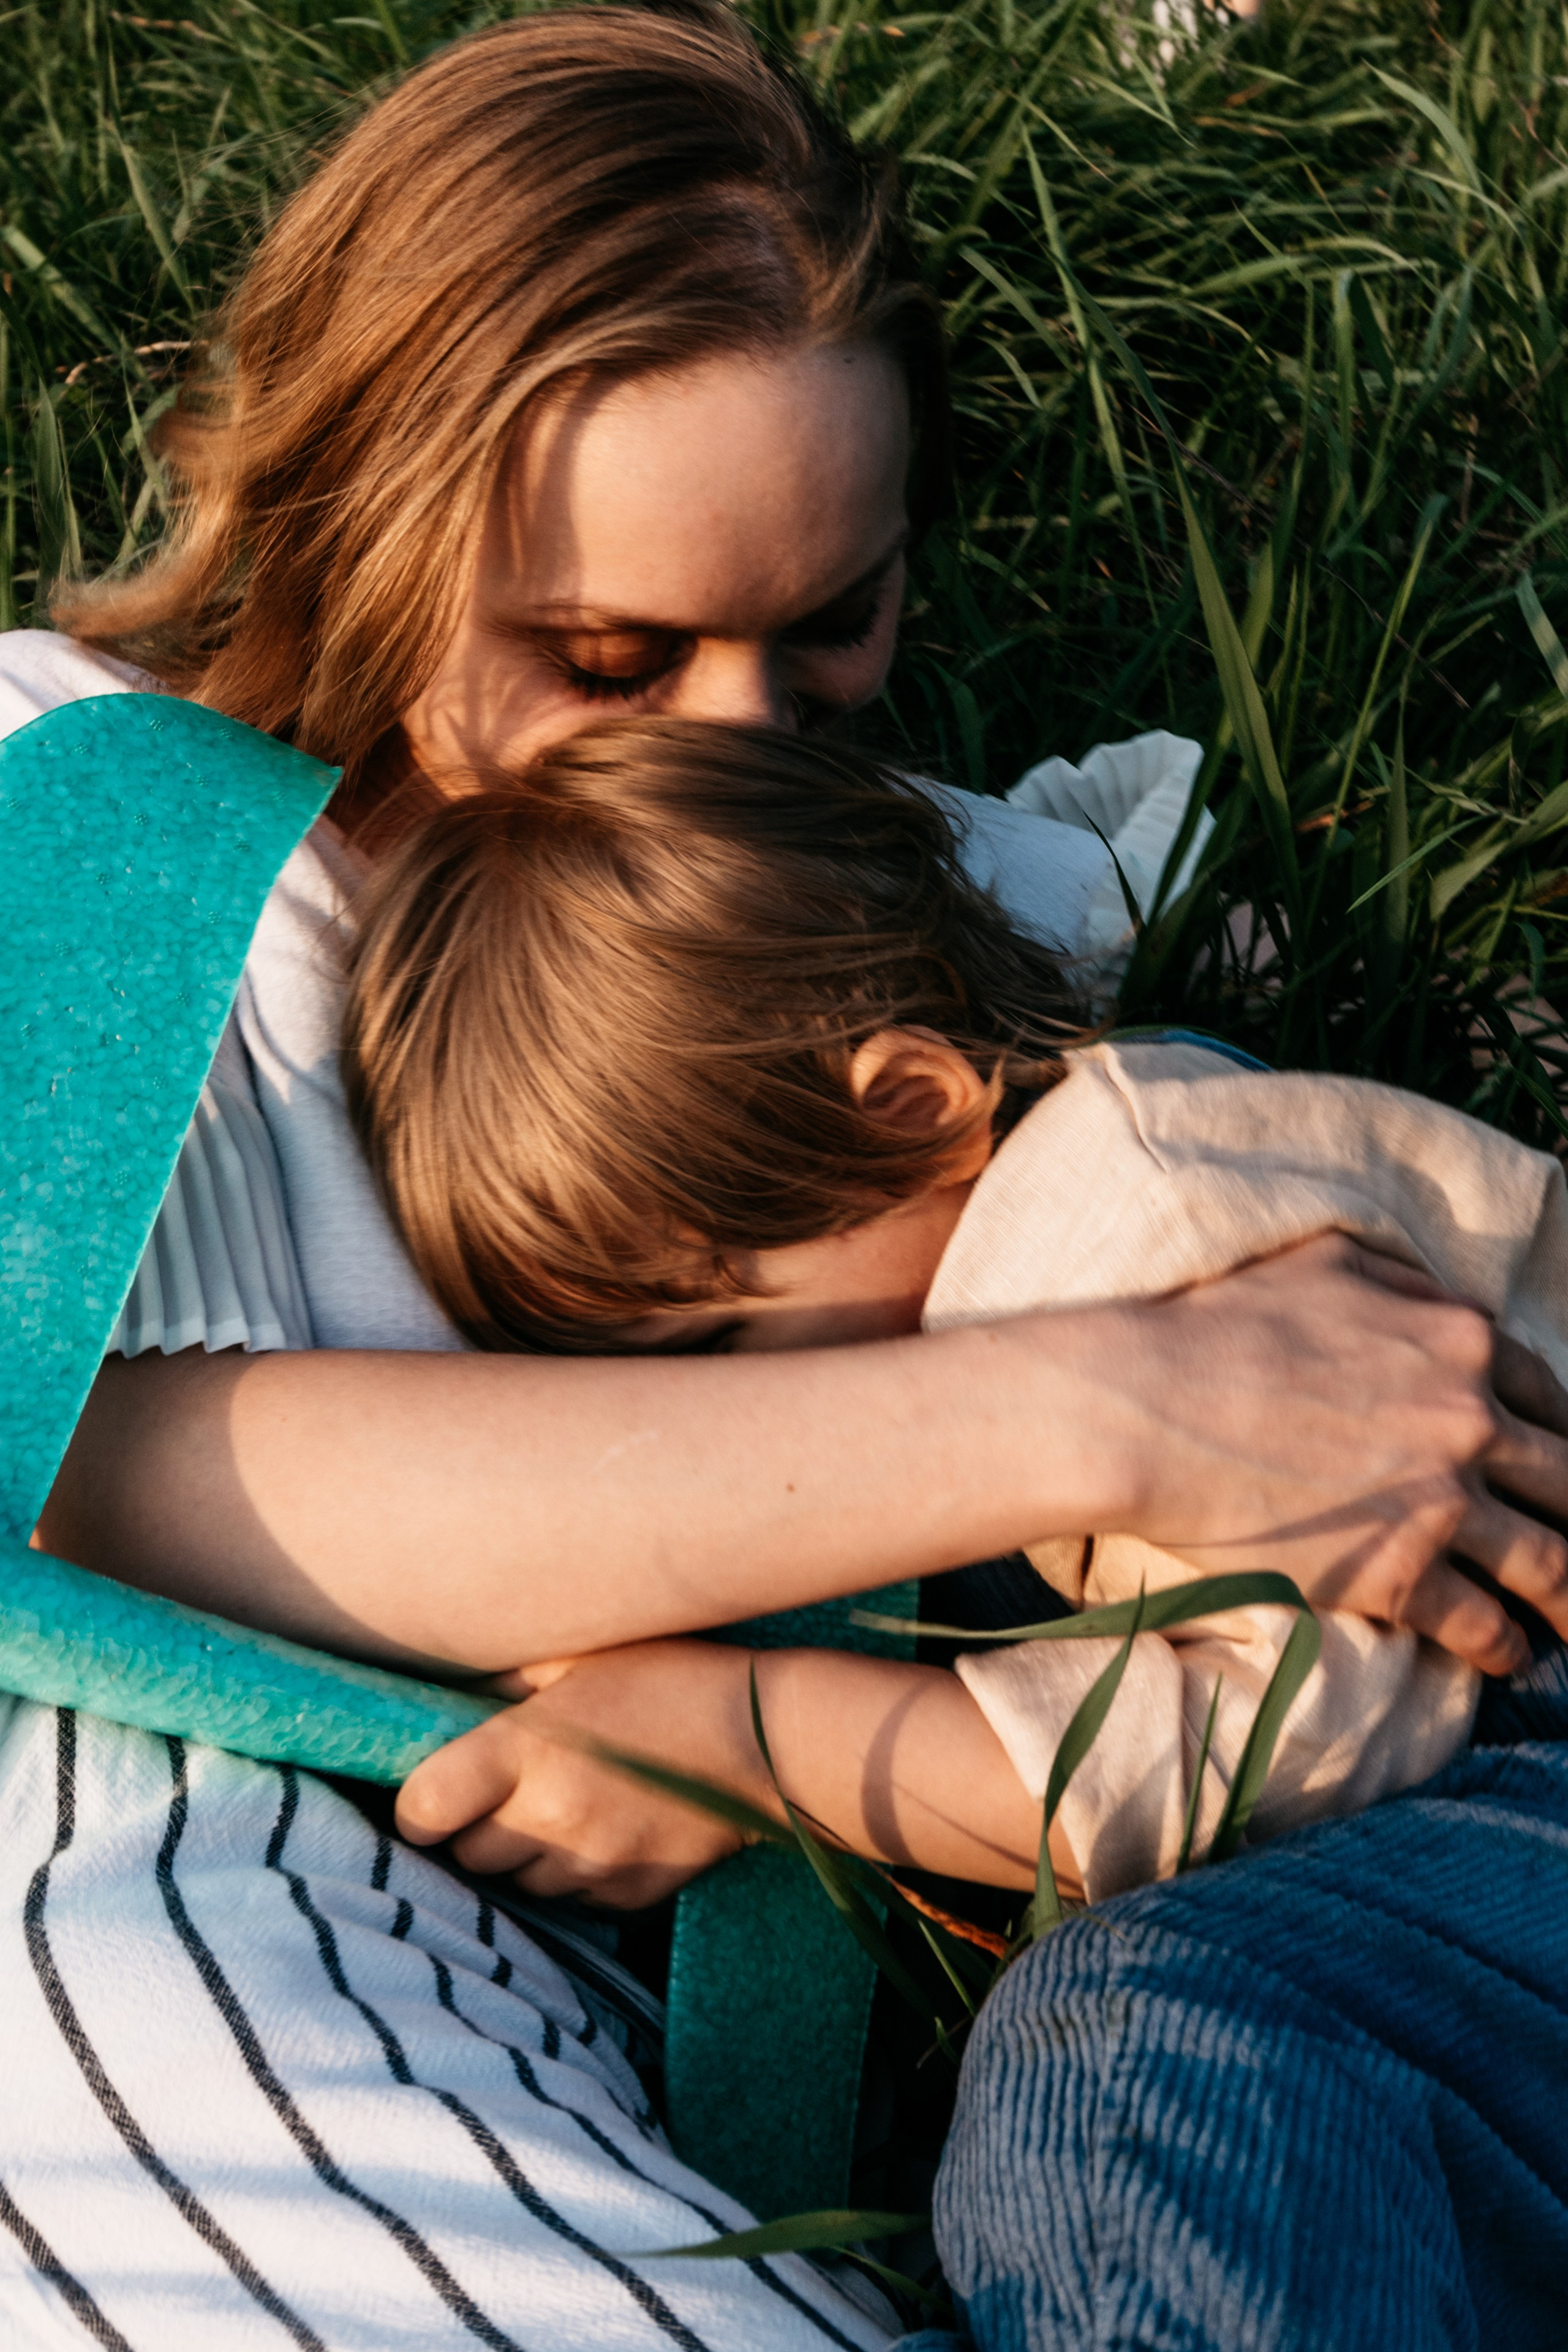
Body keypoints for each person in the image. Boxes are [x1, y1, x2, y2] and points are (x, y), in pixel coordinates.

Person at [3, 6, 1567, 2342]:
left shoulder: (899, 907)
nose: (739, 743)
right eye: (608, 654)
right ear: (360, 518)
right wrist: (1111, 1403)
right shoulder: (94, 810)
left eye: (830, 629)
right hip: (191, 1887)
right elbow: (97, 1459)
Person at [328, 718, 1553, 1913]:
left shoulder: (1121, 1248)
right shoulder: (1065, 1177)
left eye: (715, 1349)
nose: (709, 1423)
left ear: (910, 1106)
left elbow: (1292, 1758)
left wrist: (753, 1741)